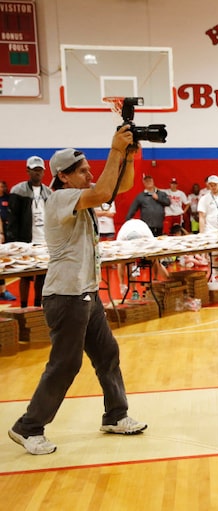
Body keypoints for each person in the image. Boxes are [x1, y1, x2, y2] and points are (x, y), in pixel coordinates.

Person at [8, 126, 147, 456]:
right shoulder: (60, 198)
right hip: (66, 297)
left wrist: (128, 156)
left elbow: (117, 187)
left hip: (86, 294)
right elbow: (102, 192)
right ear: (64, 177)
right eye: (83, 170)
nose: (90, 174)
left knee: (107, 354)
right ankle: (28, 427)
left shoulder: (77, 196)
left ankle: (116, 415)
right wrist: (115, 149)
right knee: (65, 364)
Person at [8, 156, 52, 308]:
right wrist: (12, 242)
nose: (37, 174)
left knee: (42, 276)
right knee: (25, 276)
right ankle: (24, 306)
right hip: (25, 241)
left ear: (44, 172)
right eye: (34, 170)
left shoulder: (48, 192)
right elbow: (12, 219)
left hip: (44, 240)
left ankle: (38, 306)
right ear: (28, 171)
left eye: (40, 170)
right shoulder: (18, 191)